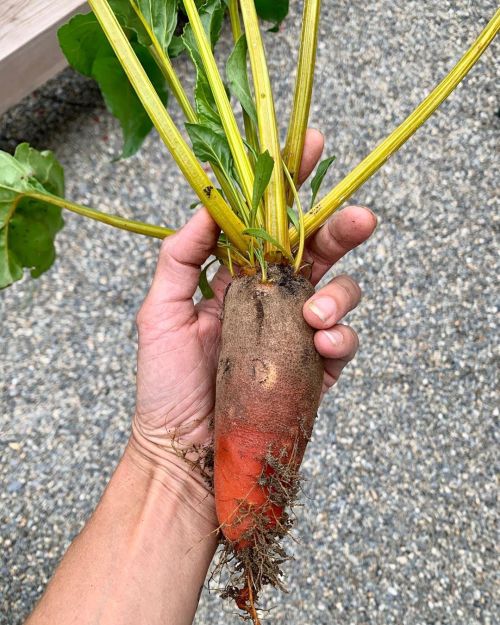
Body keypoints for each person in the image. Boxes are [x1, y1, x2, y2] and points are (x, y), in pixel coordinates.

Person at [25, 130, 377, 625]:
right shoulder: (241, 295)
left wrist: (167, 464)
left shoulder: (265, 292)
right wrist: (165, 456)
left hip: (273, 288)